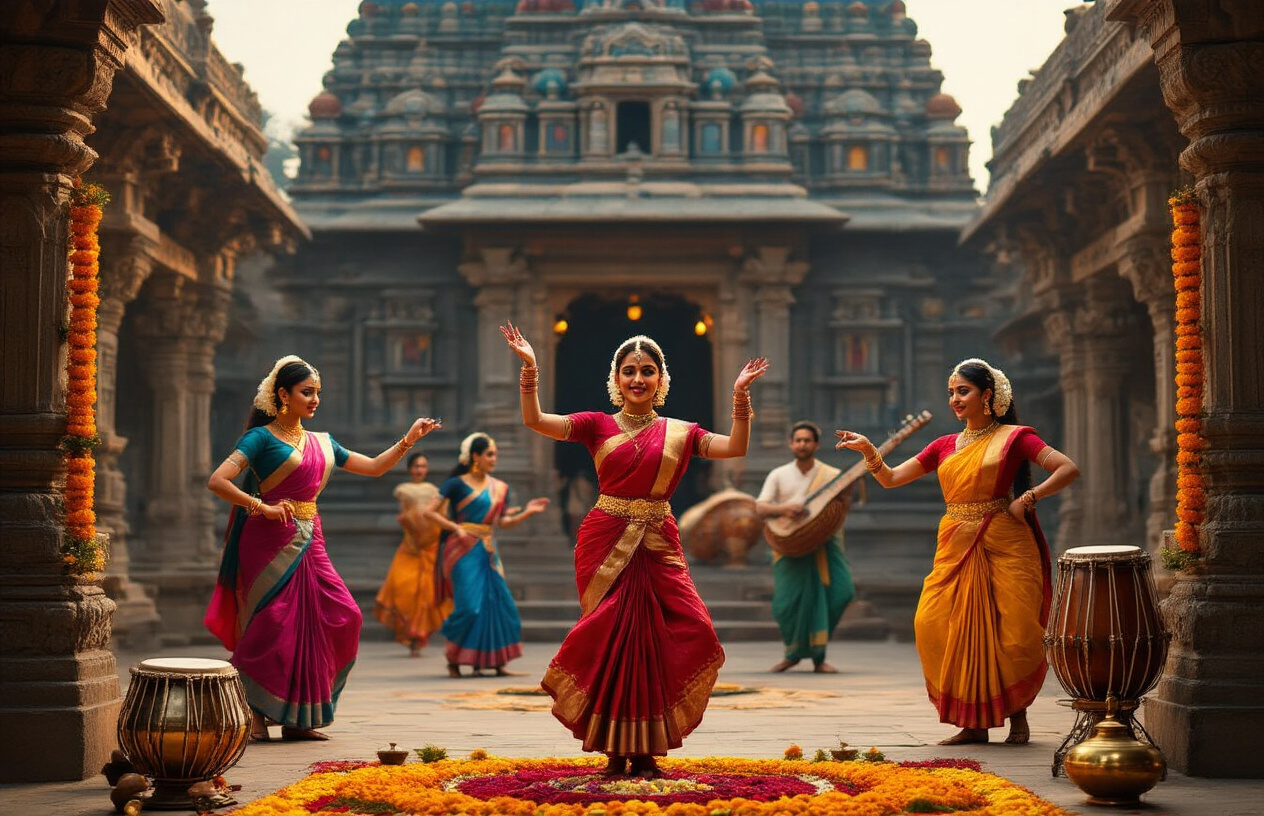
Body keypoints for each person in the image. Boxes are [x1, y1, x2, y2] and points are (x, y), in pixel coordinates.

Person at [501, 322, 769, 778]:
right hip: (606, 540)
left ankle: (648, 746)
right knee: (613, 640)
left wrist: (740, 396)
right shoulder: (595, 425)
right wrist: (530, 369)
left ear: (661, 380)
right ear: (616, 379)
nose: (638, 379)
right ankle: (616, 751)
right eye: (629, 371)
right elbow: (535, 421)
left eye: (647, 371)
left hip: (658, 541)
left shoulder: (681, 433)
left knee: (679, 634)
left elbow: (735, 447)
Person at [835, 358, 1080, 745]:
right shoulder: (944, 445)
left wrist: (1028, 497)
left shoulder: (1015, 437)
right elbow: (893, 479)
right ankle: (973, 723)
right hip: (955, 542)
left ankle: (1017, 716)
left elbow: (1067, 468)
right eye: (951, 392)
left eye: (962, 391)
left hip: (1005, 541)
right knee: (933, 624)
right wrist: (869, 452)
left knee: (1012, 632)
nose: (954, 399)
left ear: (987, 395)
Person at [205, 355, 440, 742]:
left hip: (310, 536)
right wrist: (259, 506)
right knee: (273, 624)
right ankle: (255, 711)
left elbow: (375, 467)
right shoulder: (260, 438)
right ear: (283, 394)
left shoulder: (323, 442)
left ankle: (300, 715)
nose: (315, 399)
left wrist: (409, 440)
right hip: (267, 538)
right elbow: (218, 480)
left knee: (342, 614)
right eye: (307, 392)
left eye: (318, 393)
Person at [423, 432, 550, 678]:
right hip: (461, 550)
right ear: (475, 456)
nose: (494, 459)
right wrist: (455, 527)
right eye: (489, 454)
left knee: (498, 605)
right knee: (470, 606)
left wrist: (528, 512)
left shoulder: (500, 488)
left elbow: (503, 522)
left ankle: (494, 662)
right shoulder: (456, 484)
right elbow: (429, 512)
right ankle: (454, 658)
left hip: (488, 550)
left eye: (495, 455)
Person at [755, 420, 855, 674]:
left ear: (816, 444)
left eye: (807, 440)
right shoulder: (779, 474)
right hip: (789, 544)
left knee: (841, 592)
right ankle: (793, 654)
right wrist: (784, 509)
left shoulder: (831, 476)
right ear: (791, 444)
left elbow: (842, 506)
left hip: (824, 544)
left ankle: (819, 657)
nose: (802, 444)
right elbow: (761, 507)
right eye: (798, 440)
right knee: (785, 605)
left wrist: (848, 493)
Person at [374, 451, 453, 657]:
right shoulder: (403, 490)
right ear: (410, 469)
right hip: (410, 547)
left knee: (426, 595)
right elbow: (406, 515)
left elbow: (439, 516)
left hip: (430, 549)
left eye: (423, 466)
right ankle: (410, 634)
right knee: (404, 590)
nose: (420, 470)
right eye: (416, 466)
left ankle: (418, 639)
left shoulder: (435, 491)